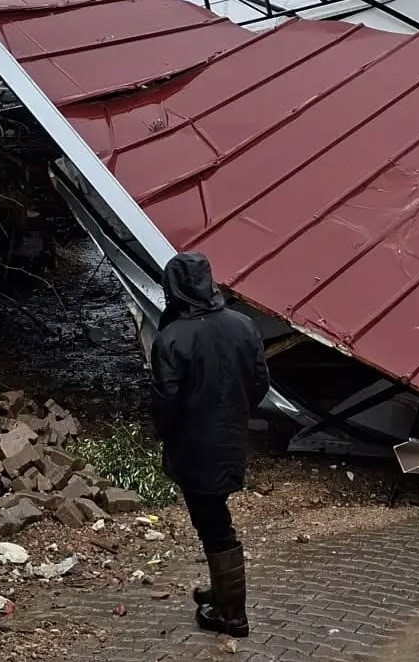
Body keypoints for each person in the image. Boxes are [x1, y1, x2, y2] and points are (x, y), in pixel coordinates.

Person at [149, 252, 270, 638]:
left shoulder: (171, 338)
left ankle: (231, 613)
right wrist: (234, 414)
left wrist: (168, 434)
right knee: (214, 517)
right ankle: (221, 592)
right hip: (230, 437)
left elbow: (165, 401)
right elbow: (259, 384)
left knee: (214, 525)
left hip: (193, 444)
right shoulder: (243, 325)